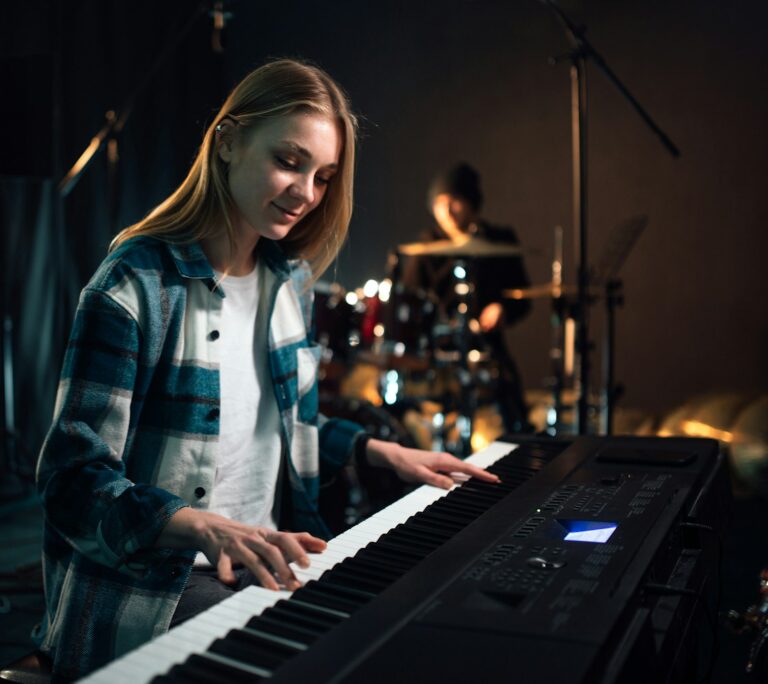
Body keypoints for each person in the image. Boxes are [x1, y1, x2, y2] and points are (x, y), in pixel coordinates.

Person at [34, 60, 499, 681]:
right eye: (289, 161)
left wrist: (383, 452)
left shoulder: (289, 283)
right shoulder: (134, 285)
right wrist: (203, 529)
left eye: (324, 176)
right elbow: (72, 483)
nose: (307, 193)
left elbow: (284, 425)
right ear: (226, 142)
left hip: (262, 566)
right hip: (154, 593)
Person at [424, 163, 532, 432]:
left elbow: (523, 297)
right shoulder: (426, 247)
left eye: (455, 201)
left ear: (472, 203)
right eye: (440, 203)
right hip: (437, 353)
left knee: (514, 416)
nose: (447, 211)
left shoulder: (499, 240)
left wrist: (502, 308)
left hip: (487, 351)